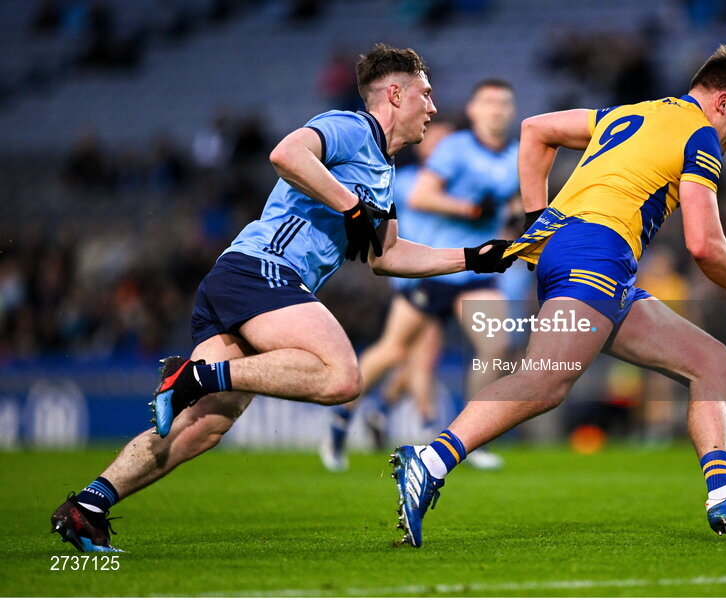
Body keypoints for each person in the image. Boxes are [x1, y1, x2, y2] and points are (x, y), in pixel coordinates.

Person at [49, 43, 515, 553]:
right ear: (394, 93)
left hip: (241, 283)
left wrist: (472, 257)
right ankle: (196, 375)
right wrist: (349, 205)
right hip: (263, 271)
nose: (433, 107)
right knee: (342, 377)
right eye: (425, 95)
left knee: (200, 428)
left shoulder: (383, 172)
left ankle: (88, 505)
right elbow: (286, 154)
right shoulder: (351, 127)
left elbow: (388, 256)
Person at [390, 45, 726, 548]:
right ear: (722, 101)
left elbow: (536, 130)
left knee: (712, 364)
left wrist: (534, 219)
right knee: (545, 380)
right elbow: (704, 245)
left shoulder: (630, 113)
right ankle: (430, 460)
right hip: (596, 251)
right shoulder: (700, 136)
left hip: (582, 254)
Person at [322, 80, 520, 471]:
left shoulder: (514, 156)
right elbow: (421, 197)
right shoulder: (453, 151)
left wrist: (514, 219)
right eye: (489, 102)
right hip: (431, 271)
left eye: (504, 103)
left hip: (474, 271)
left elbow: (508, 202)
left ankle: (468, 437)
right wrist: (470, 211)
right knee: (399, 352)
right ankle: (343, 417)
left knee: (495, 347)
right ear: (474, 110)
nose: (497, 110)